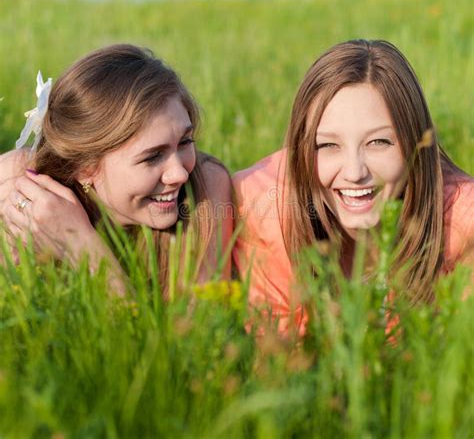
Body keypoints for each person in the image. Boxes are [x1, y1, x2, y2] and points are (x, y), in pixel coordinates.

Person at [233, 39, 473, 336]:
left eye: (378, 142)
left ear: (414, 144)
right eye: (328, 145)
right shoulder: (264, 210)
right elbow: (278, 362)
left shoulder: (464, 224)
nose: (355, 172)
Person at [0, 44, 233, 296]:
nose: (180, 174)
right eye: (153, 156)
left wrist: (83, 247)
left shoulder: (205, 185)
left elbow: (193, 332)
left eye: (185, 142)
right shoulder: (17, 186)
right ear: (85, 167)